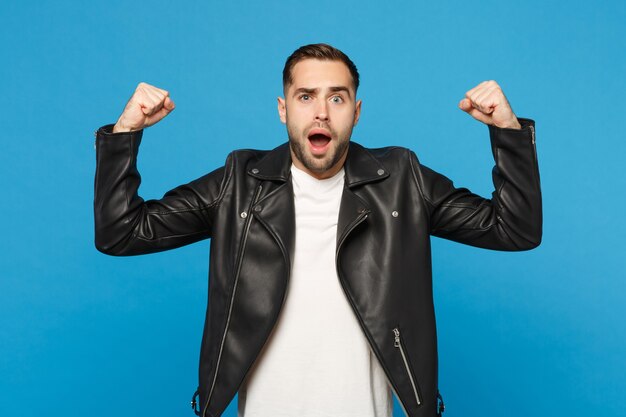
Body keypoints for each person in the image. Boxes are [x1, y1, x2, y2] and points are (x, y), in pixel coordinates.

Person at [94, 43, 542, 417]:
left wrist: (507, 131)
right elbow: (121, 233)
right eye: (306, 96)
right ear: (283, 109)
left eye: (337, 97)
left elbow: (513, 229)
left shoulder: (402, 180)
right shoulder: (238, 181)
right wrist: (125, 133)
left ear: (356, 111)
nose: (321, 113)